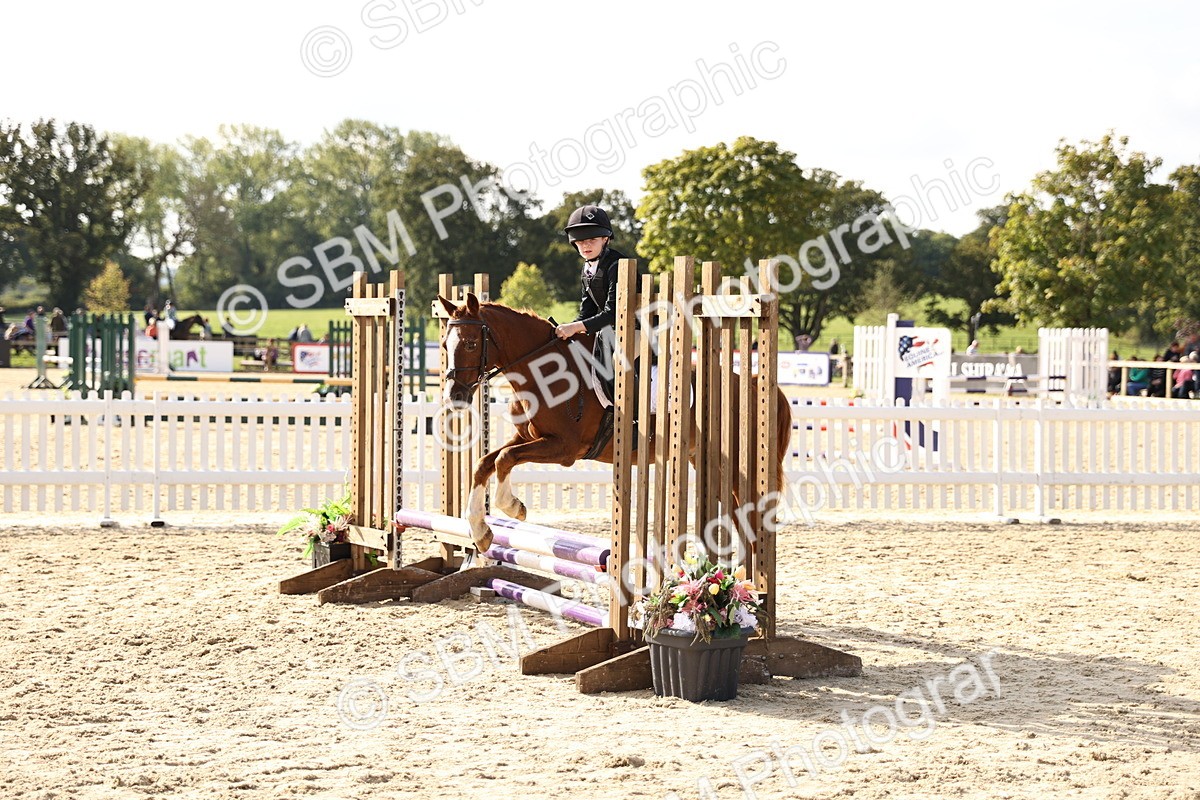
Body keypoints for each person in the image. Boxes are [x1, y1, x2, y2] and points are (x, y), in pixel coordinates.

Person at [553, 204, 628, 406]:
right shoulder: (587, 269)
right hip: (611, 333)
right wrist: (565, 330)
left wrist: (575, 328)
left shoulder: (618, 265)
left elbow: (612, 313)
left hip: (636, 330)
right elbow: (586, 312)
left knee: (613, 362)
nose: (585, 246)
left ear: (605, 239)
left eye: (592, 240)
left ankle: (628, 413)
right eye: (580, 242)